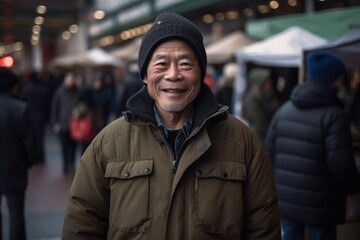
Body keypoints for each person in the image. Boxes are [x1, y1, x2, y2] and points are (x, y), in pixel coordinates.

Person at [62, 12, 280, 240]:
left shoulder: (241, 141)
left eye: (185, 64)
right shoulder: (108, 144)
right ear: (145, 74)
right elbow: (81, 227)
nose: (174, 74)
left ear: (200, 73)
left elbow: (264, 230)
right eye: (161, 64)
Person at [264, 51, 360, 240]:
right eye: (340, 77)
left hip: (286, 201)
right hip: (321, 203)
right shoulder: (335, 115)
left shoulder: (284, 110)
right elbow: (340, 163)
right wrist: (354, 186)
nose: (341, 82)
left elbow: (268, 153)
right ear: (332, 80)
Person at [0, 67, 36, 240]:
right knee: (16, 215)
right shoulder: (20, 108)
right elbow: (29, 142)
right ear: (12, 86)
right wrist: (29, 162)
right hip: (14, 168)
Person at [51, 71, 81, 174]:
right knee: (64, 146)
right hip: (62, 124)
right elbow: (55, 108)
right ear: (65, 80)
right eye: (68, 79)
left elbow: (82, 105)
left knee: (73, 146)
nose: (70, 81)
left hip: (75, 123)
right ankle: (65, 164)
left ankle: (72, 163)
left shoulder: (78, 91)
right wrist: (55, 122)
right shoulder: (59, 92)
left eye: (72, 79)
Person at [242, 67, 279, 143]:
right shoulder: (253, 98)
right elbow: (259, 121)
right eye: (267, 81)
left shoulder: (263, 95)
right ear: (260, 82)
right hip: (258, 137)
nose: (270, 83)